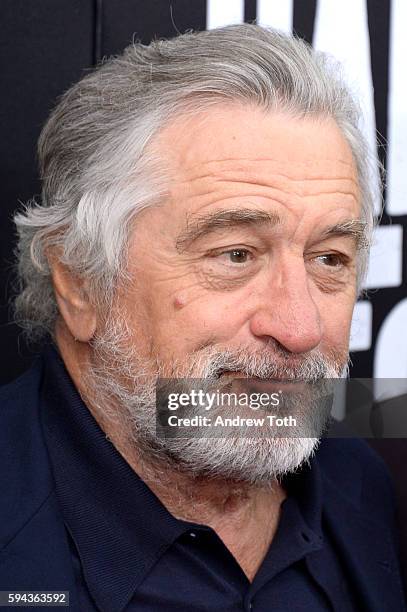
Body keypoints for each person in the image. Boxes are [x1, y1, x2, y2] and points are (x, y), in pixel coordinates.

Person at [0, 24, 405, 611]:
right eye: (236, 254)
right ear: (80, 284)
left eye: (329, 259)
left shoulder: (360, 484)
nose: (300, 329)